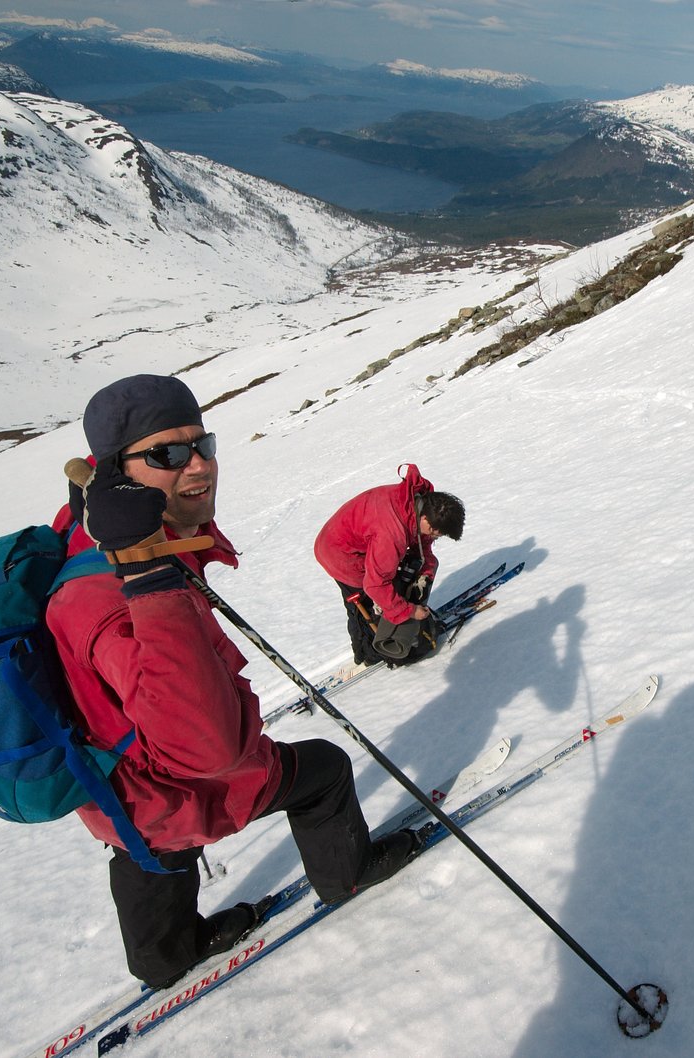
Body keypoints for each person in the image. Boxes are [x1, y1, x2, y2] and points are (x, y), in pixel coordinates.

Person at [46, 373, 420, 991]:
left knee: (145, 842)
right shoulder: (114, 594)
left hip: (117, 793)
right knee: (322, 770)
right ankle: (347, 876)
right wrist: (150, 576)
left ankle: (162, 958)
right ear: (117, 472)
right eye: (168, 453)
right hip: (176, 787)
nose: (198, 464)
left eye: (203, 444)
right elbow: (210, 751)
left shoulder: (91, 528)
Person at [313, 464, 464, 668]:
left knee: (390, 588)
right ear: (425, 518)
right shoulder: (391, 534)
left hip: (356, 538)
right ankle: (368, 653)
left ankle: (376, 637)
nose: (434, 537)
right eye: (435, 532)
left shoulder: (417, 501)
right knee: (365, 605)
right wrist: (408, 611)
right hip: (340, 555)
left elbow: (421, 541)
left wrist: (426, 570)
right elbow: (375, 585)